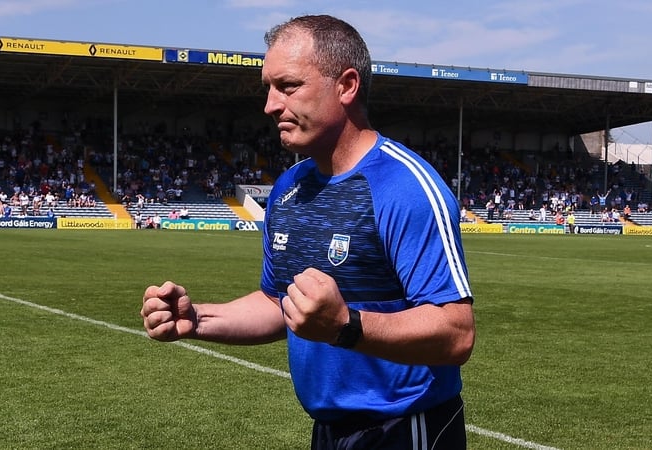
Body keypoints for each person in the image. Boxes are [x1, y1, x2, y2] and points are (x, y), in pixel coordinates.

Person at [140, 14, 475, 449]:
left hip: (405, 428)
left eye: (289, 86)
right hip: (328, 431)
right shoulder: (287, 190)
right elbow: (279, 304)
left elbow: (456, 333)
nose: (270, 105)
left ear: (347, 85)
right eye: (268, 88)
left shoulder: (405, 186)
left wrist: (345, 325)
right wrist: (198, 318)